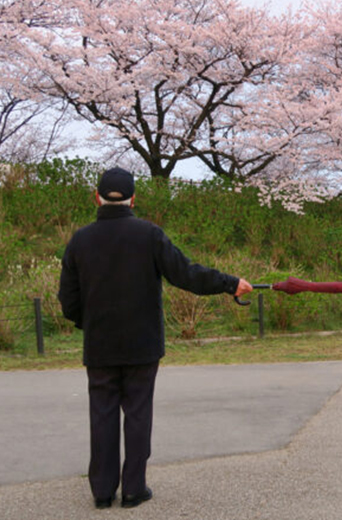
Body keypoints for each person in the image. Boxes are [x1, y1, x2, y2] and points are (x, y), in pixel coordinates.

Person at [58, 167, 253, 509]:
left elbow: (68, 301)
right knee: (137, 412)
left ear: (97, 197)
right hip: (142, 344)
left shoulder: (80, 240)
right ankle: (134, 488)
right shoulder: (149, 235)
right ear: (134, 198)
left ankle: (103, 492)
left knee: (101, 414)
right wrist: (228, 282)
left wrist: (88, 323)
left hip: (100, 345)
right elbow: (185, 274)